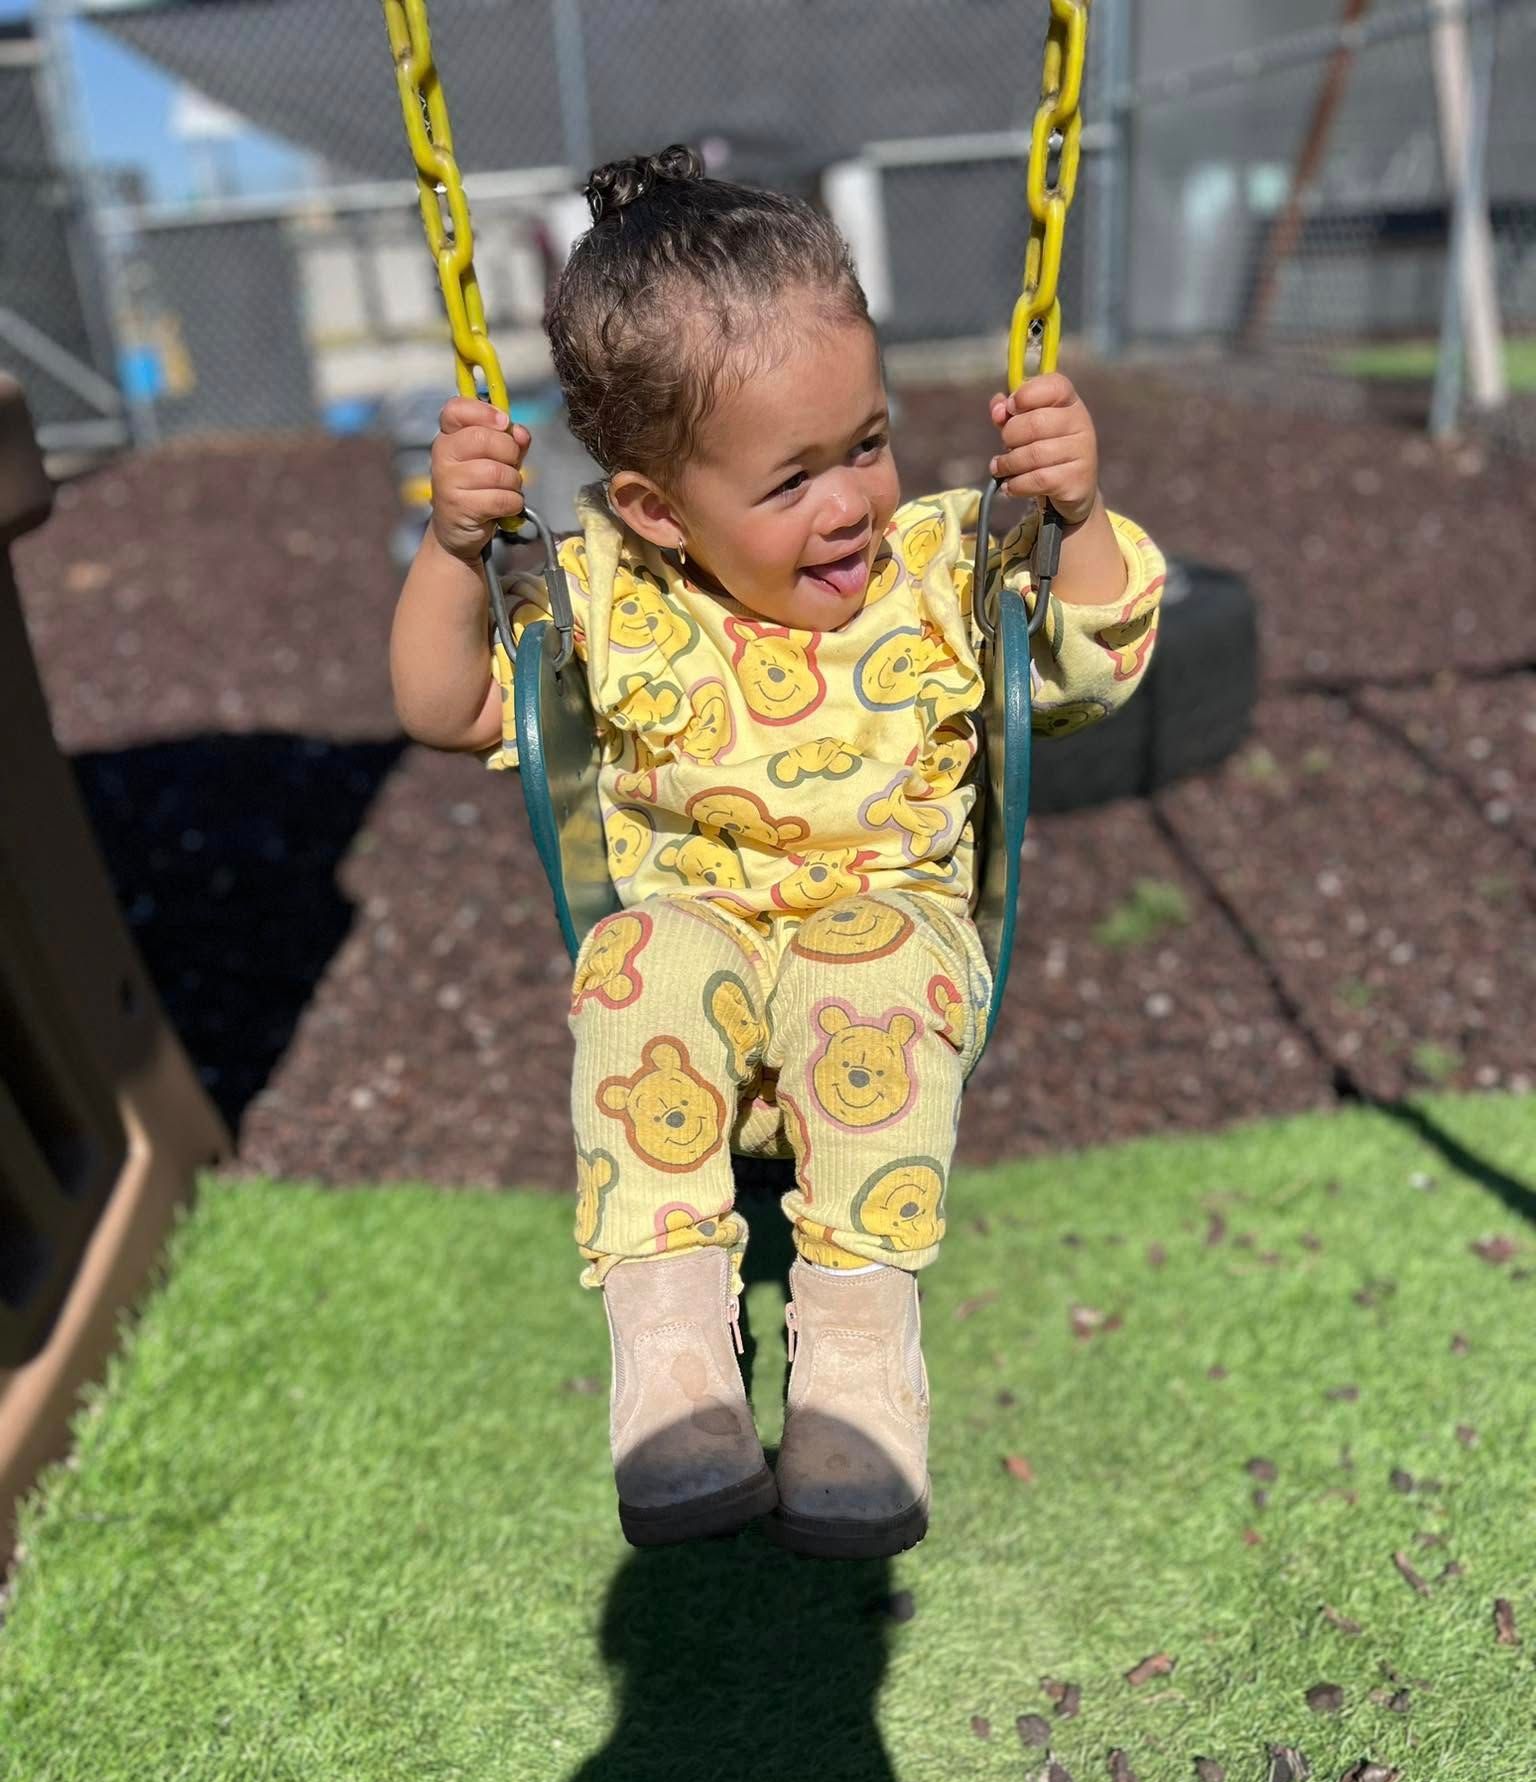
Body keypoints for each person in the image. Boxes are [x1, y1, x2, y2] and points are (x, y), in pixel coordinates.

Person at [390, 145, 1165, 1562]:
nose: (851, 503)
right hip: (702, 943)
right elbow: (443, 708)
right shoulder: (610, 601)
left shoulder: (939, 572)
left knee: (861, 973)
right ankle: (675, 1362)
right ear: (655, 509)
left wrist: (1077, 517)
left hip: (896, 930)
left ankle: (857, 1369)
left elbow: (1099, 666)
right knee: (639, 964)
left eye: (865, 444)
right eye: (793, 477)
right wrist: (453, 550)